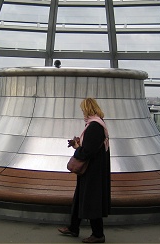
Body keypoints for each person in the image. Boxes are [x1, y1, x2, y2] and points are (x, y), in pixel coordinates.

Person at [58, 98, 110, 243]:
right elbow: (92, 146)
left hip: (92, 171)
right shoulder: (97, 125)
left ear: (88, 109)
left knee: (91, 200)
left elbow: (88, 151)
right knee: (81, 197)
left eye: (83, 110)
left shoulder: (94, 127)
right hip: (93, 170)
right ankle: (73, 227)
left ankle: (98, 234)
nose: (82, 113)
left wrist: (77, 148)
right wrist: (79, 144)